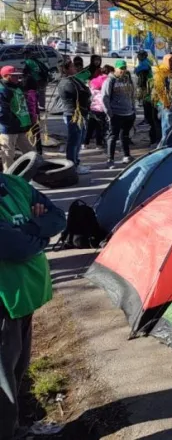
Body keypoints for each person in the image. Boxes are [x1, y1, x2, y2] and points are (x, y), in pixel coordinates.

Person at [0, 173, 66, 438]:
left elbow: (57, 217)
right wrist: (38, 230)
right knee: (3, 376)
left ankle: (15, 426)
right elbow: (12, 246)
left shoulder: (13, 184)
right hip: (4, 300)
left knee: (17, 366)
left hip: (24, 295)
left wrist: (28, 228)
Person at [57, 61, 91, 173]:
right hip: (72, 114)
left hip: (81, 113)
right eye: (71, 67)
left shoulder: (74, 79)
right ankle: (72, 165)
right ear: (66, 69)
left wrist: (86, 91)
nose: (75, 68)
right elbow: (81, 94)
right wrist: (85, 91)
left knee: (80, 139)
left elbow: (86, 91)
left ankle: (76, 161)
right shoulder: (66, 82)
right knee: (74, 141)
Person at [102, 60, 137, 167]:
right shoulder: (110, 80)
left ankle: (126, 156)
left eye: (124, 68)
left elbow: (132, 95)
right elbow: (105, 98)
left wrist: (133, 109)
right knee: (112, 136)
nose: (123, 70)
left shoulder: (128, 80)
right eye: (121, 68)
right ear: (116, 69)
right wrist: (109, 113)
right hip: (116, 114)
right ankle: (110, 160)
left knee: (125, 136)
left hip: (128, 114)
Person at [0, 66, 33, 172]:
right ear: (5, 76)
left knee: (30, 152)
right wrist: (11, 122)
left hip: (20, 127)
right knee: (8, 156)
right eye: (13, 76)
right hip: (8, 129)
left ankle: (33, 175)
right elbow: (2, 112)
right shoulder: (3, 90)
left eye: (18, 75)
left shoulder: (16, 87)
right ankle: (8, 180)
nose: (17, 77)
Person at [84, 65, 110, 150]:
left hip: (93, 108)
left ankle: (85, 143)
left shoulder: (93, 82)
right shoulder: (106, 80)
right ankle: (98, 144)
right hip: (101, 108)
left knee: (90, 127)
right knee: (99, 128)